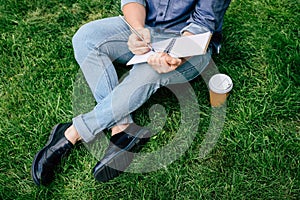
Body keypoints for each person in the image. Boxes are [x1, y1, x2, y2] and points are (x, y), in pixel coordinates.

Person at [31, 0, 231, 186]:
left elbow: (202, 26)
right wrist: (137, 29)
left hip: (190, 45)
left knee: (148, 73)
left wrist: (174, 55)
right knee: (85, 38)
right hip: (147, 29)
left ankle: (71, 133)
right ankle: (122, 128)